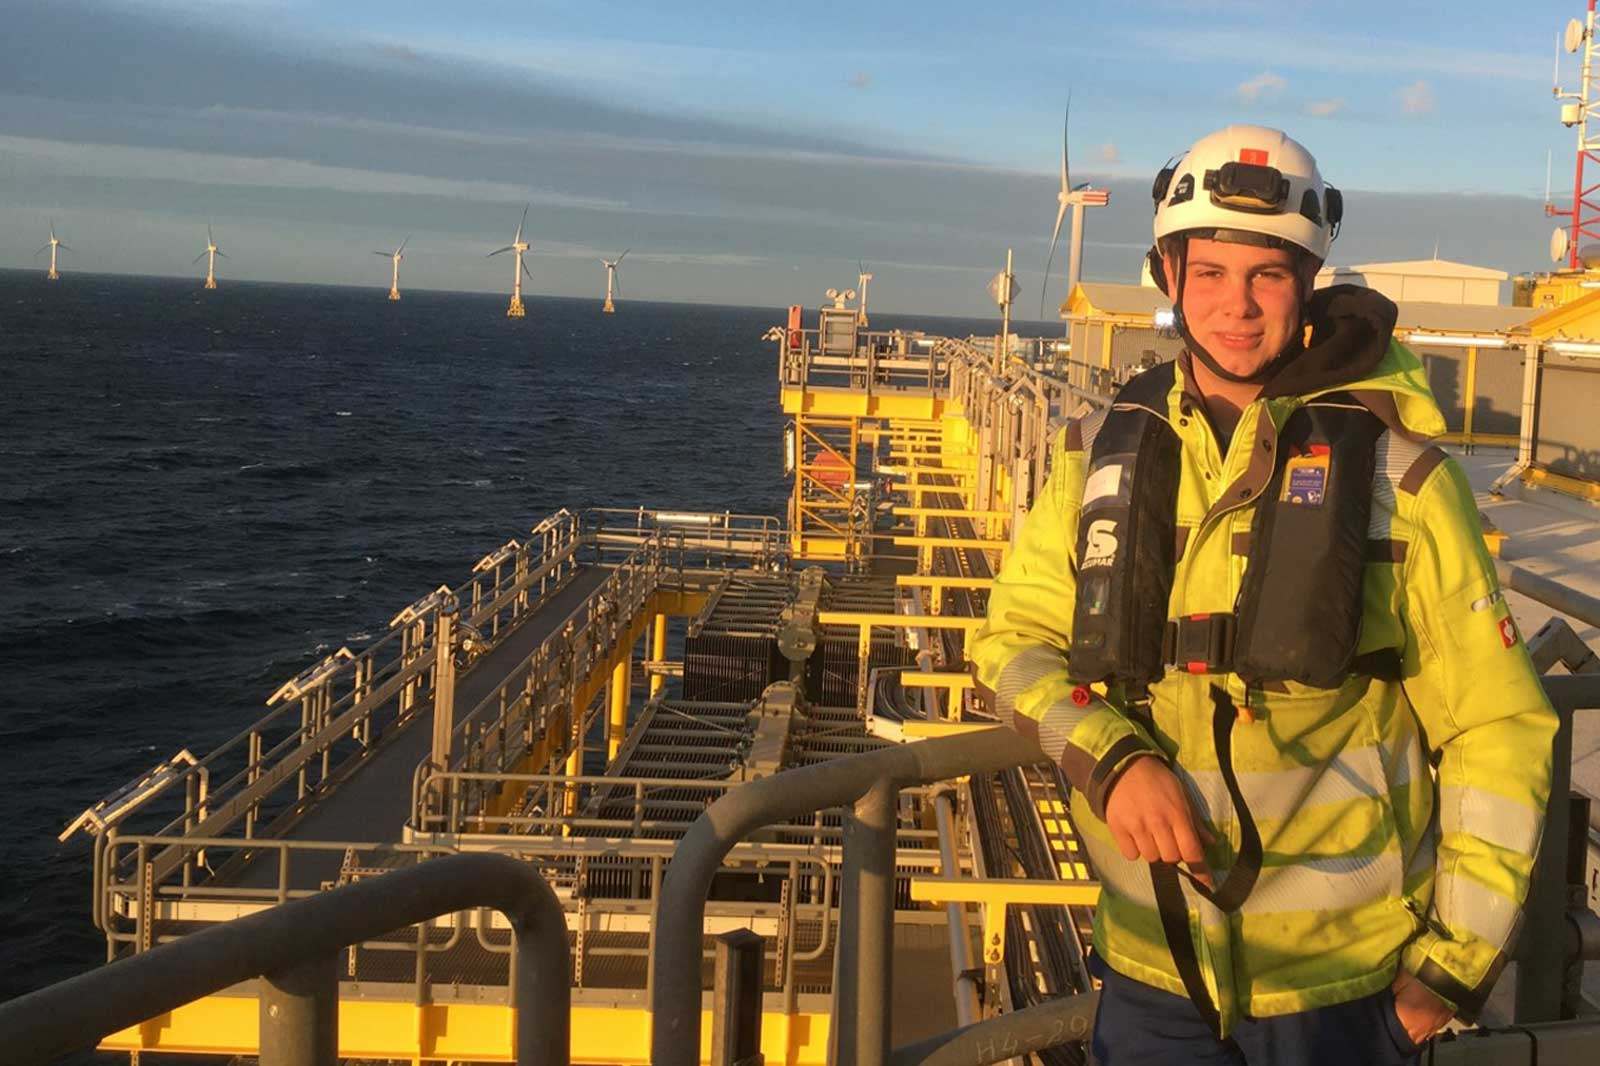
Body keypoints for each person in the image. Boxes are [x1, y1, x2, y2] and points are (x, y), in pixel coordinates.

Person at [970, 125, 1557, 1065]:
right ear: (1168, 276)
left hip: (1341, 995)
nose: (1235, 307)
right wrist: (1109, 756)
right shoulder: (1095, 456)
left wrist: (1450, 971)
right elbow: (1010, 646)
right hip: (1153, 978)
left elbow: (1498, 727)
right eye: (1208, 274)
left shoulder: (1397, 481)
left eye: (1267, 276)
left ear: (1309, 282)